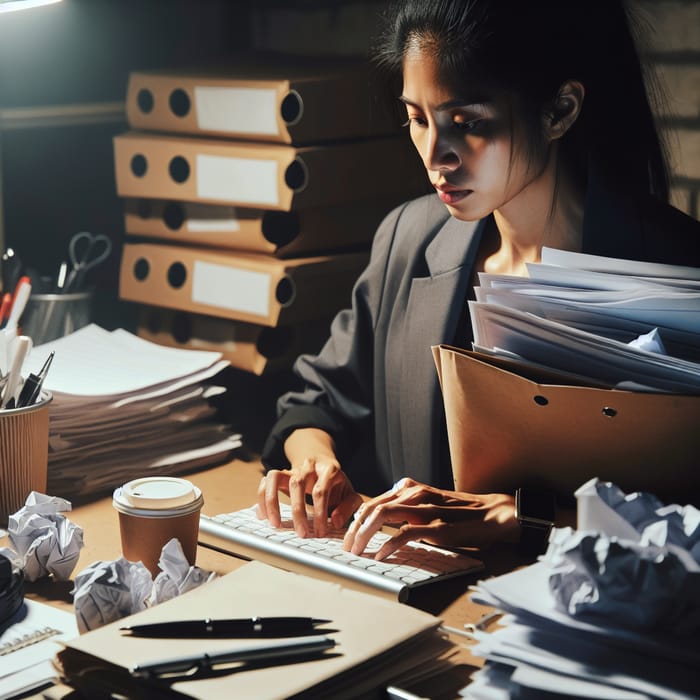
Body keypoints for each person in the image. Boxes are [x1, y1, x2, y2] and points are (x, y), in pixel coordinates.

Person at [256, 0, 700, 559]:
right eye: (417, 118)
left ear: (559, 110)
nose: (435, 156)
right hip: (410, 602)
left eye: (467, 124)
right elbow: (315, 400)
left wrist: (528, 519)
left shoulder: (677, 271)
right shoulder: (408, 238)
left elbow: (686, 521)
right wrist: (316, 462)